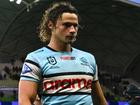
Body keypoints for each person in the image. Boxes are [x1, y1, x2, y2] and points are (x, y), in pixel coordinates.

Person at [18, 1, 107, 105]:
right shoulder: (35, 59)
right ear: (50, 25)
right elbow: (25, 100)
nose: (73, 30)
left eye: (75, 26)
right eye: (67, 25)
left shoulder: (88, 58)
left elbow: (100, 101)